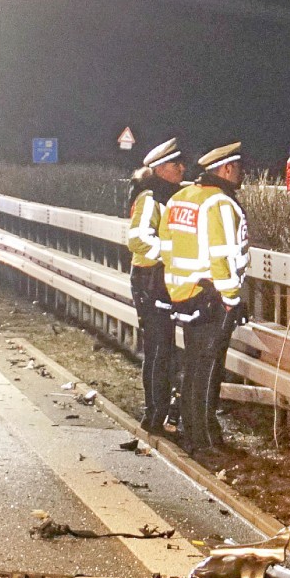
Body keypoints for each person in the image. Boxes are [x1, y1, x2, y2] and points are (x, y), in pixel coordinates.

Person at [162, 141, 249, 451]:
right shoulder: (220, 204)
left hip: (184, 295)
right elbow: (223, 255)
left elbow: (167, 247)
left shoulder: (180, 198)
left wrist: (178, 288)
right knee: (208, 369)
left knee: (195, 364)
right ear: (225, 169)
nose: (240, 174)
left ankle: (189, 429)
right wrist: (231, 297)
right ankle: (205, 438)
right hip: (212, 297)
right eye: (237, 168)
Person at [127, 138, 186, 432]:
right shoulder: (150, 197)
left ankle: (161, 413)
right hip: (149, 280)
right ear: (162, 168)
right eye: (177, 164)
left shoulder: (169, 195)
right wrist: (170, 254)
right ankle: (153, 415)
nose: (182, 168)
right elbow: (137, 238)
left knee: (164, 350)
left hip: (160, 280)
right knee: (158, 349)